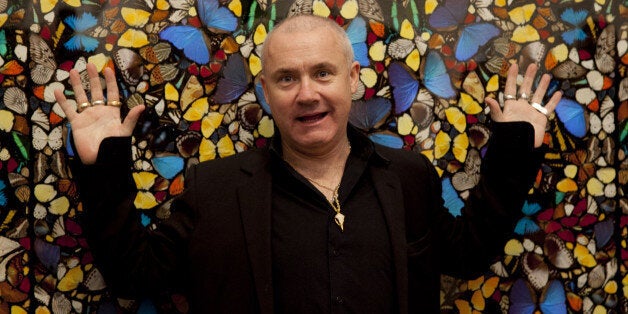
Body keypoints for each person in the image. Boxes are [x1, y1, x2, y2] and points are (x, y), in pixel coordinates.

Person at [54, 15, 561, 314]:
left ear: (352, 80)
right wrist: (102, 165)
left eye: (323, 72)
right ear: (265, 94)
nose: (307, 94)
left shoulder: (409, 176)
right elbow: (134, 275)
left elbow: (469, 254)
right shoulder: (214, 189)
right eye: (286, 78)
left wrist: (514, 150)